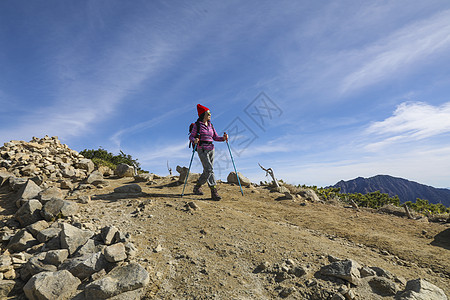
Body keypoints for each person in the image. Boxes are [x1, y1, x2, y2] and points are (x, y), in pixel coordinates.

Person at [189, 104, 228, 201]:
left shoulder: (211, 125)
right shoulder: (197, 125)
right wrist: (194, 140)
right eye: (208, 112)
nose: (210, 114)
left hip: (211, 149)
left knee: (207, 170)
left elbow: (215, 137)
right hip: (201, 148)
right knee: (210, 169)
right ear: (203, 114)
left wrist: (223, 139)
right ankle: (214, 191)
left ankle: (197, 187)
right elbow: (191, 136)